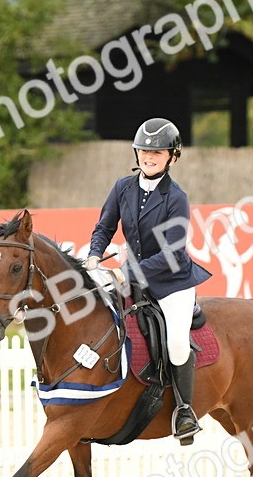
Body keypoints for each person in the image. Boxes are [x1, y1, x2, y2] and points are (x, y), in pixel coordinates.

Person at [86, 117, 212, 442]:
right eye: (143, 150)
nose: (148, 156)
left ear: (173, 156)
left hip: (173, 282)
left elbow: (171, 253)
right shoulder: (122, 187)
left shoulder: (176, 198)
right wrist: (94, 256)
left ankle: (185, 412)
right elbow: (104, 227)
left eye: (157, 152)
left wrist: (123, 271)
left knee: (177, 344)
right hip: (131, 276)